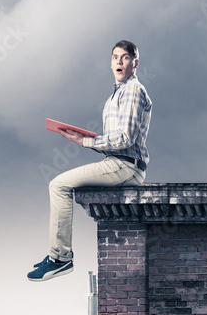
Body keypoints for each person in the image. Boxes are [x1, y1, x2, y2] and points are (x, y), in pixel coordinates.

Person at [27, 40, 152, 282]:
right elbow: (115, 140)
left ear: (135, 63)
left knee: (58, 185)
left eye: (125, 57)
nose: (119, 61)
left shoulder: (134, 91)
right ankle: (58, 256)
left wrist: (85, 142)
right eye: (115, 57)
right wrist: (83, 137)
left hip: (126, 166)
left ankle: (60, 259)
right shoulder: (118, 93)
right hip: (117, 162)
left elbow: (125, 139)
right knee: (59, 184)